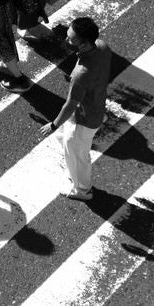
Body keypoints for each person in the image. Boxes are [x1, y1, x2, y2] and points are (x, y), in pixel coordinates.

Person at [39, 17, 111, 201]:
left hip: (84, 119)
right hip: (96, 106)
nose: (66, 40)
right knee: (66, 141)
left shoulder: (81, 75)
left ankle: (82, 190)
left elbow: (70, 104)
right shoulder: (102, 47)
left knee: (78, 154)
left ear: (85, 43)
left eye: (71, 39)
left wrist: (53, 124)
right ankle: (76, 173)